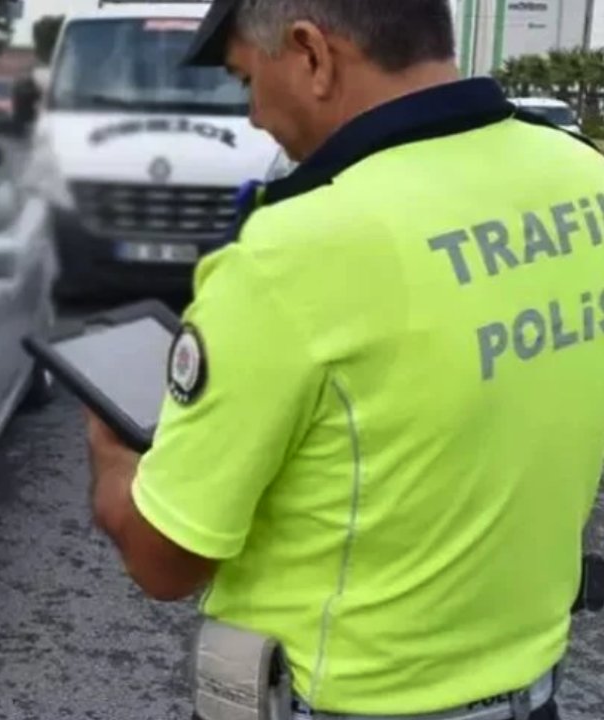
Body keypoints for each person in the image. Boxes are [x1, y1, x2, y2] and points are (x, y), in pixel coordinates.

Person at [83, 1, 604, 719]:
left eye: (247, 80)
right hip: (533, 694)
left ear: (311, 54)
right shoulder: (583, 176)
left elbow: (165, 561)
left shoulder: (291, 254)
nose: (255, 117)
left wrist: (112, 462)